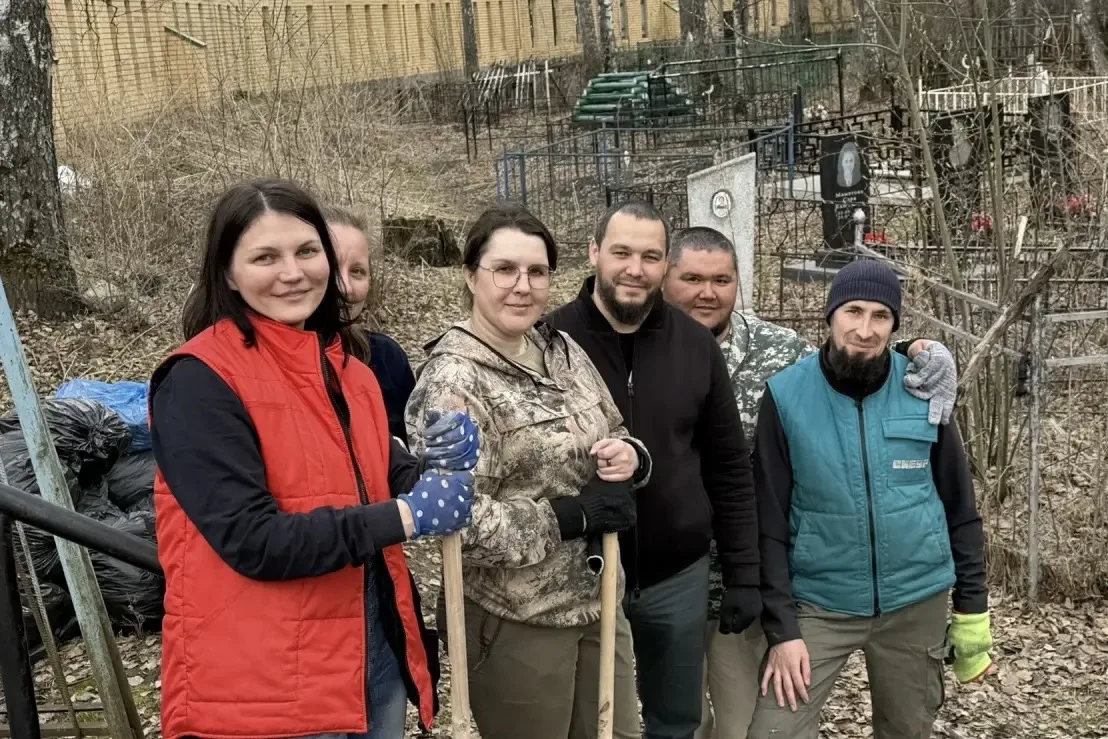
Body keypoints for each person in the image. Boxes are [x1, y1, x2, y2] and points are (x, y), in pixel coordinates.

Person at [149, 178, 478, 739]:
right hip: (265, 688)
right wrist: (407, 515)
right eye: (265, 257)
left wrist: (435, 469)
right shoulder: (198, 381)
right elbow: (252, 540)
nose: (293, 273)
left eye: (307, 251)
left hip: (370, 654)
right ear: (227, 273)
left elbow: (375, 471)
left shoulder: (349, 371)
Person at [660, 227, 959, 739]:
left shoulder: (776, 351)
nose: (707, 292)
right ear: (665, 279)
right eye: (691, 279)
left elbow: (849, 361)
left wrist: (918, 351)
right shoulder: (636, 351)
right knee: (675, 724)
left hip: (745, 583)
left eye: (721, 280)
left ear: (738, 282)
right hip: (665, 579)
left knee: (747, 728)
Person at [404, 202, 652, 739]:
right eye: (505, 270)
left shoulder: (558, 348)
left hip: (598, 601)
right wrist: (572, 517)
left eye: (537, 271)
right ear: (470, 275)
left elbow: (612, 426)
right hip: (517, 620)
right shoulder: (453, 382)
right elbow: (456, 523)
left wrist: (630, 456)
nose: (523, 286)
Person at [747, 258, 992, 739]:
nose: (865, 329)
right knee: (775, 730)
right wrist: (782, 630)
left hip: (915, 601)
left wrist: (972, 606)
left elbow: (960, 506)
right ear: (830, 315)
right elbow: (768, 522)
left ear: (894, 324)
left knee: (907, 730)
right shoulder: (786, 396)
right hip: (820, 602)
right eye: (853, 311)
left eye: (881, 315)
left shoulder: (923, 388)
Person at [545, 201, 759, 739]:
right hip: (580, 573)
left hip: (676, 574)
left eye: (650, 256)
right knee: (594, 722)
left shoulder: (696, 345)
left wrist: (743, 575)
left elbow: (729, 467)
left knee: (676, 721)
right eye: (621, 253)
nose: (635, 269)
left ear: (665, 264)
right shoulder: (549, 341)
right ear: (594, 253)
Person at [325, 204, 417, 443]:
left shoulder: (387, 359)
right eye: (331, 267)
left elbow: (413, 450)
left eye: (357, 271)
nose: (345, 287)